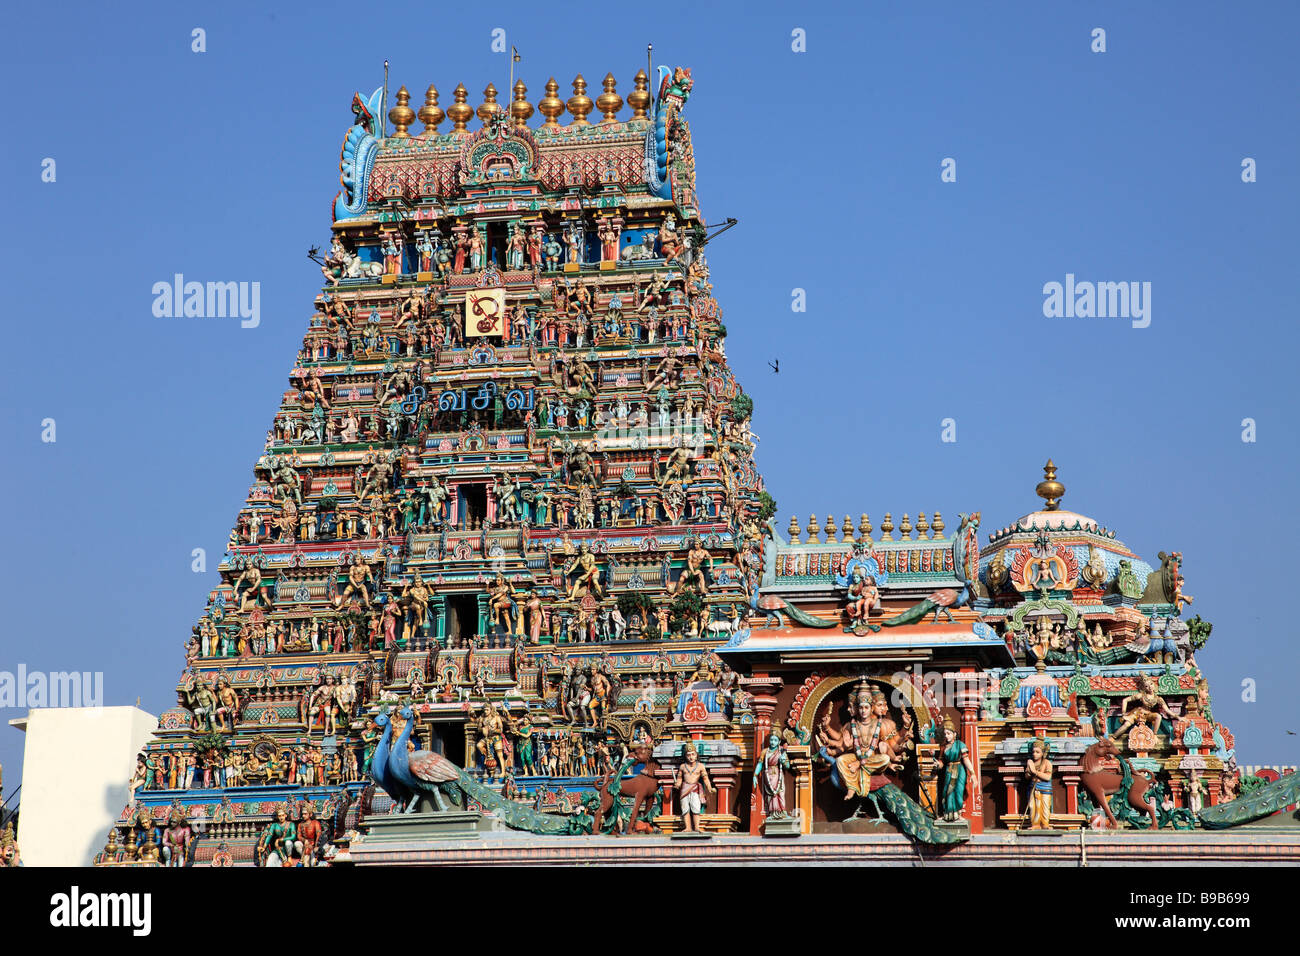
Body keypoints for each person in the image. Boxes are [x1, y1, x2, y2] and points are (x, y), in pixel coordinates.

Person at [675, 742, 715, 832]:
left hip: (695, 789)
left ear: (696, 755)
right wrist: (677, 784)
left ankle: (696, 827)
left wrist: (710, 788)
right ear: (686, 756)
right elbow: (679, 778)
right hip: (685, 788)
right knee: (685, 808)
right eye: (688, 755)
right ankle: (688, 827)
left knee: (696, 807)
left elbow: (706, 779)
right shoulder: (682, 766)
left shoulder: (700, 766)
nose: (691, 757)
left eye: (693, 754)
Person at [1023, 738, 1054, 829]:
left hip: (1045, 788)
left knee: (1045, 808)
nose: (1034, 754)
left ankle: (1045, 824)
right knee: (1033, 807)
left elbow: (1048, 777)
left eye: (1037, 752)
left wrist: (1035, 772)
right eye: (1033, 752)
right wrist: (1029, 770)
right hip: (1033, 787)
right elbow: (1027, 777)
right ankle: (1035, 824)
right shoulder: (1031, 763)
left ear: (1043, 753)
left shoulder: (1047, 763)